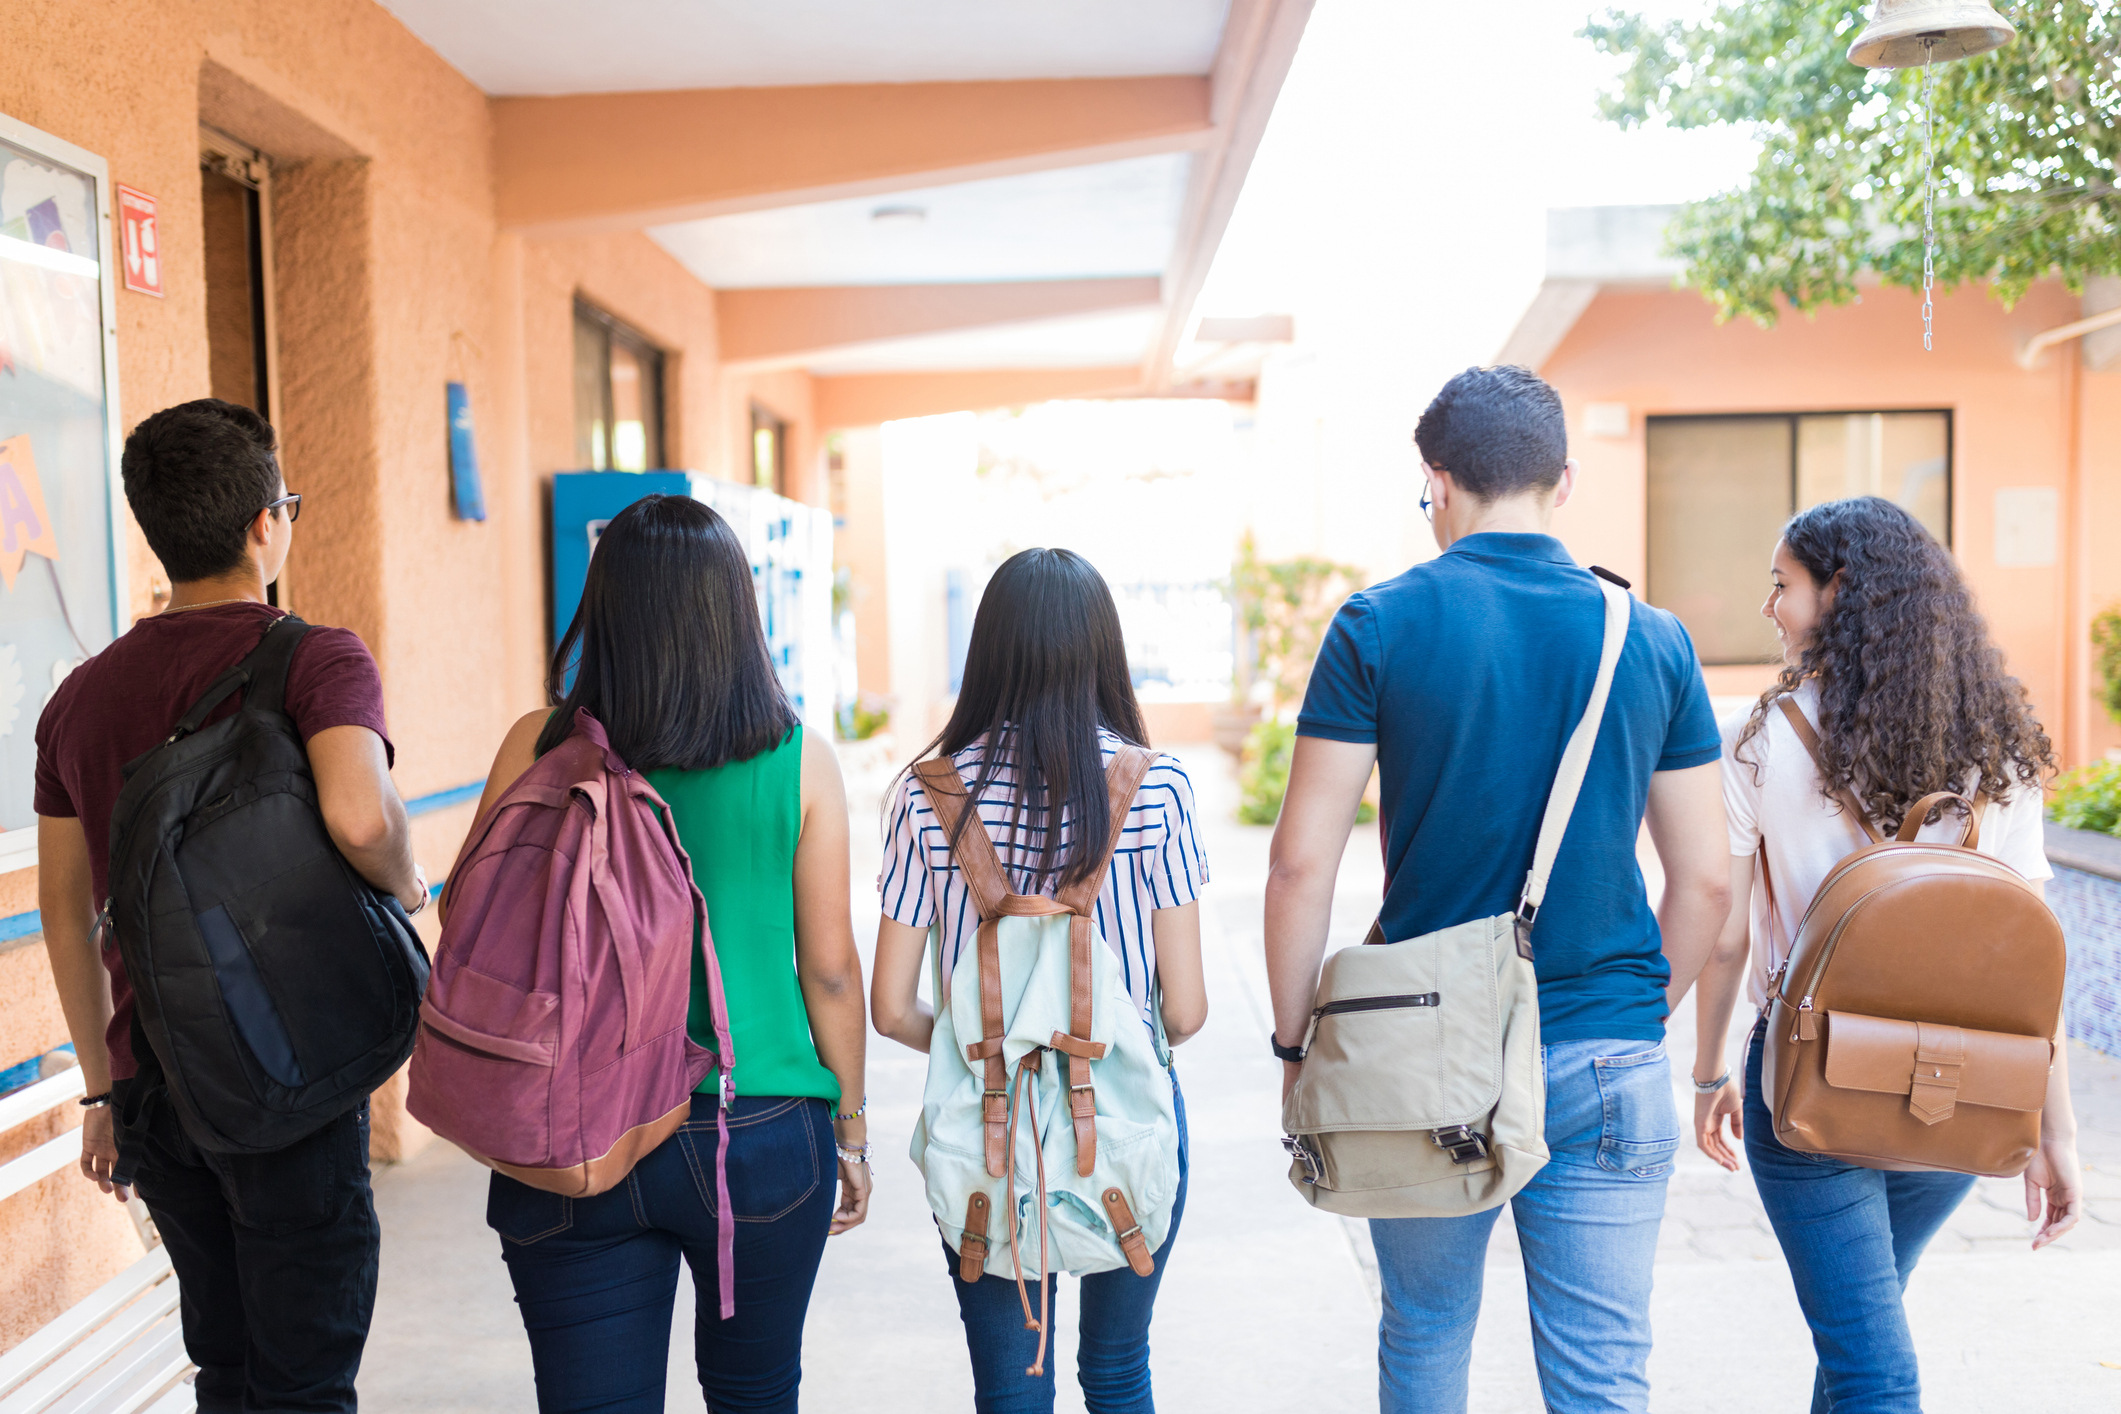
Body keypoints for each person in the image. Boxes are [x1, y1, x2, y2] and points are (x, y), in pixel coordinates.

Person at [1263, 366, 1733, 1414]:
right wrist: (1624, 1017)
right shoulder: (1650, 638)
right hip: (1606, 1048)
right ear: (1563, 481)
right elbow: (1706, 877)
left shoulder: (1376, 627)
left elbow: (1301, 862)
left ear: (1436, 483)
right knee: (1603, 1373)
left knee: (1427, 1336)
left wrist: (1299, 1045)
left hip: (1426, 1049)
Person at [35, 398, 425, 1413]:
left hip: (159, 1083)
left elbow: (64, 910)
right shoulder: (317, 658)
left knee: (230, 1366)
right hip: (285, 1069)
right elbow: (358, 816)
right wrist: (409, 879)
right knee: (305, 1376)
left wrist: (101, 1089)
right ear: (266, 523)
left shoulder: (78, 698)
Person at [465, 493, 869, 1414]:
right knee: (756, 1393)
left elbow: (480, 934)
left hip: (570, 1128)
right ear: (733, 609)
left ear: (601, 609)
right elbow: (831, 970)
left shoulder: (534, 748)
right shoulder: (797, 758)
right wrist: (851, 1127)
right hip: (755, 1124)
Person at [1691, 495, 2082, 1412]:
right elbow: (2030, 972)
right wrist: (2051, 1131)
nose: (1768, 608)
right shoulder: (1998, 752)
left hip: (1806, 1079)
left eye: (1780, 585)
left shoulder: (1765, 739)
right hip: (1966, 1085)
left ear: (1840, 593)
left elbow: (1728, 934)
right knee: (1860, 1340)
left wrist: (1710, 1070)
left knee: (1869, 1363)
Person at [870, 547, 1209, 1414]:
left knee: (1012, 1386)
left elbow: (887, 1005)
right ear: (1103, 649)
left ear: (988, 653)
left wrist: (982, 1042)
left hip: (982, 1127)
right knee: (1120, 1372)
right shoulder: (1157, 785)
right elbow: (1188, 1008)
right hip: (1126, 1121)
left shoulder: (925, 795)